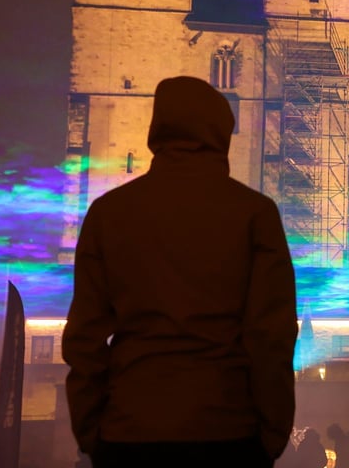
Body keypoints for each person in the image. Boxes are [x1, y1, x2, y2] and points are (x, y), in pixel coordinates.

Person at [63, 76, 298, 468]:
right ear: (220, 134)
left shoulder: (108, 213)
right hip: (228, 432)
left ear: (159, 130)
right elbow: (271, 337)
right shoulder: (254, 214)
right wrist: (271, 436)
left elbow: (85, 338)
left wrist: (92, 434)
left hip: (129, 432)